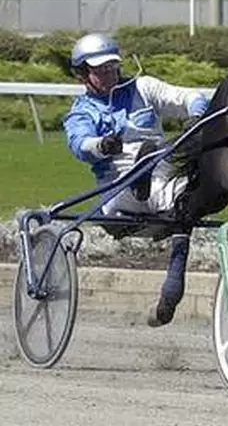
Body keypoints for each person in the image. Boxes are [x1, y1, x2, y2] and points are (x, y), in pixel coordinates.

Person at [63, 32, 212, 326]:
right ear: (82, 74)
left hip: (161, 175)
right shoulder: (81, 112)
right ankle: (143, 172)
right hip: (118, 194)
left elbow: (189, 97)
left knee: (187, 191)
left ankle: (171, 292)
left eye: (112, 67)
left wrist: (196, 115)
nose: (109, 74)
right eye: (99, 70)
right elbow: (79, 144)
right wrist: (101, 145)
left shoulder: (144, 87)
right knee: (156, 163)